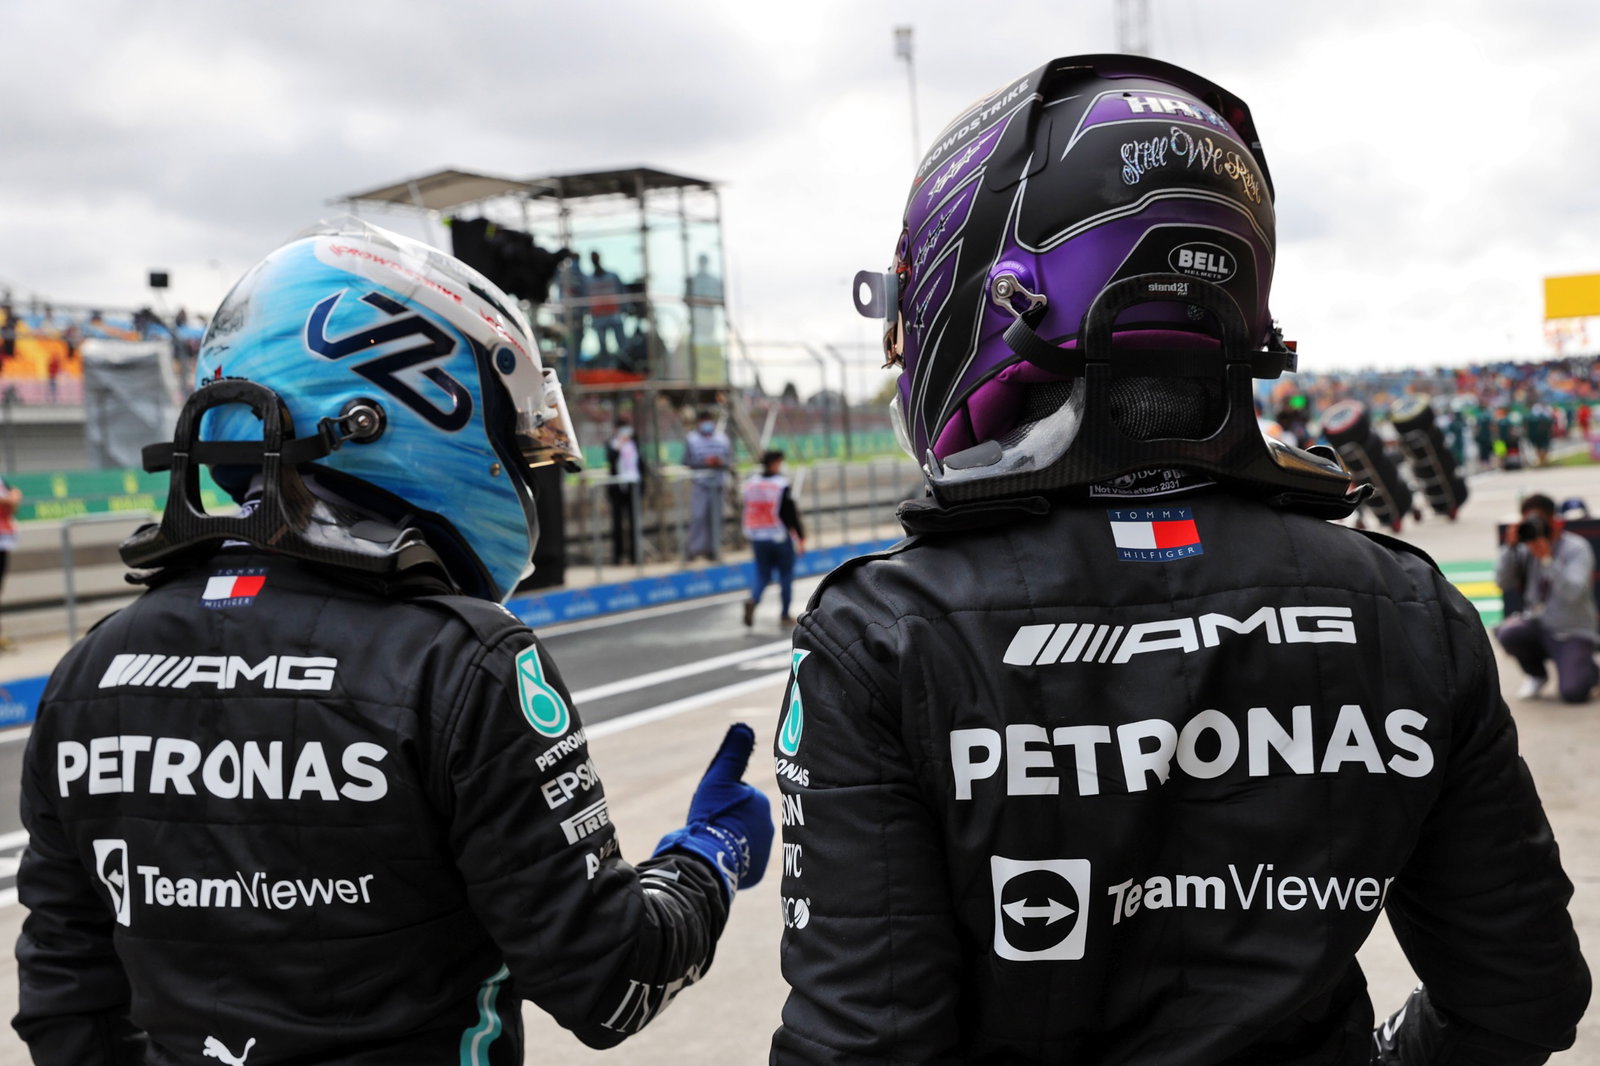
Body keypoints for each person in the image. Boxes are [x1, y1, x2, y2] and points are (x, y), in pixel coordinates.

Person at [771, 55, 1588, 1065]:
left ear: (984, 284)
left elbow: (862, 1047)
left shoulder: (880, 640)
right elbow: (1523, 994)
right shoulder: (1408, 604)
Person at [12, 219, 772, 1063]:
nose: (520, 463)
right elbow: (612, 984)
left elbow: (64, 1005)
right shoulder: (465, 662)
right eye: (512, 431)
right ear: (395, 406)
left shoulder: (93, 664)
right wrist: (708, 857)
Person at [1494, 491, 1598, 703]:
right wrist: (1510, 548)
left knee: (1573, 693)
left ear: (1554, 520)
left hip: (1571, 631)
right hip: (1538, 624)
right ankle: (1536, 675)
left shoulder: (1576, 548)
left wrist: (1548, 560)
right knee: (1508, 632)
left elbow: (1573, 594)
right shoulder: (1524, 548)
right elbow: (1501, 583)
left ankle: (1589, 670)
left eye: (1539, 520)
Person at [740, 449, 805, 628]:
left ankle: (753, 599)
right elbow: (789, 514)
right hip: (778, 536)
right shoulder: (780, 484)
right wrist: (801, 537)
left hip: (758, 537)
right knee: (786, 575)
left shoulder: (751, 484)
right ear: (775, 463)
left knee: (762, 574)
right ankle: (784, 615)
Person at [682, 409, 731, 561]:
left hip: (718, 483)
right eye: (704, 421)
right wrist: (704, 463)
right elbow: (686, 461)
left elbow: (730, 460)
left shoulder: (722, 439)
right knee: (698, 516)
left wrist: (720, 462)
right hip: (701, 484)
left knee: (715, 518)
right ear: (698, 423)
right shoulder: (691, 439)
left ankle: (714, 549)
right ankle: (693, 550)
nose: (707, 424)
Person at [605, 416, 647, 564]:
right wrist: (619, 445)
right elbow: (611, 459)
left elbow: (641, 465)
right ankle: (618, 556)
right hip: (617, 489)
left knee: (634, 522)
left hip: (633, 488)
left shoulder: (634, 442)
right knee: (617, 524)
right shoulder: (612, 443)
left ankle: (635, 556)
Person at [586, 251, 626, 359]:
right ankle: (606, 367)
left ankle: (624, 365)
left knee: (622, 344)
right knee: (603, 348)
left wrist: (624, 309)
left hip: (614, 315)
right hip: (598, 317)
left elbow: (622, 292)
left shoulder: (612, 276)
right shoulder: (588, 280)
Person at [0, 473, 20, 651]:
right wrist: (8, 500)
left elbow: (14, 498)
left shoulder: (2, 480)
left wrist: (9, 499)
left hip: (3, 541)